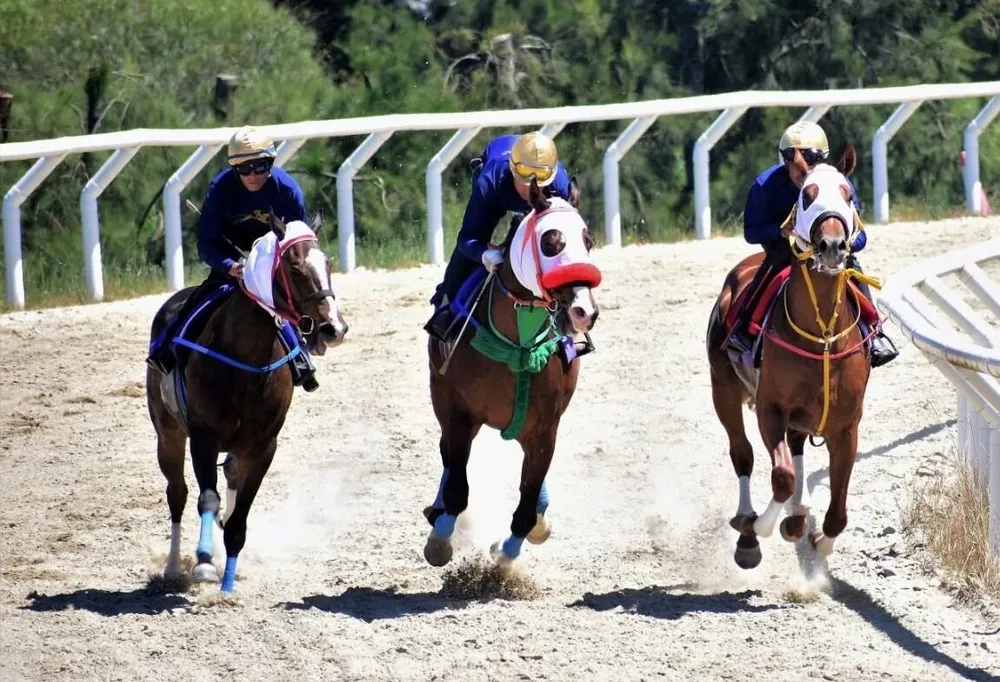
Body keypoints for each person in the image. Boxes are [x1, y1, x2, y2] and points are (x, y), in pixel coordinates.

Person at [145, 125, 320, 391]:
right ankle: (164, 349)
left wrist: (267, 267)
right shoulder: (220, 189)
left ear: (270, 163)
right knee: (201, 298)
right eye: (243, 169)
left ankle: (300, 358)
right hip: (230, 257)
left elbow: (298, 242)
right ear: (234, 169)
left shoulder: (288, 190)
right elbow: (206, 242)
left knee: (284, 307)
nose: (251, 175)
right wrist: (230, 266)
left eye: (259, 167)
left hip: (271, 259)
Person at [724, 120, 898, 368]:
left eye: (811, 157)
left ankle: (874, 331)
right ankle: (745, 329)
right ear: (785, 160)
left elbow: (861, 237)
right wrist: (779, 231)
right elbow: (751, 233)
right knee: (770, 270)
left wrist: (844, 244)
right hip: (785, 249)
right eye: (792, 157)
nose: (802, 165)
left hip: (832, 248)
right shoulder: (765, 185)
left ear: (823, 158)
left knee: (854, 269)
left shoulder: (839, 185)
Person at [424, 131, 576, 342]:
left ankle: (573, 325)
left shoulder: (559, 185)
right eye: (524, 181)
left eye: (540, 184)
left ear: (550, 178)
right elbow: (467, 238)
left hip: (537, 191)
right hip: (497, 194)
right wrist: (484, 253)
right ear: (513, 170)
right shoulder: (490, 181)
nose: (531, 189)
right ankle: (446, 310)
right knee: (465, 256)